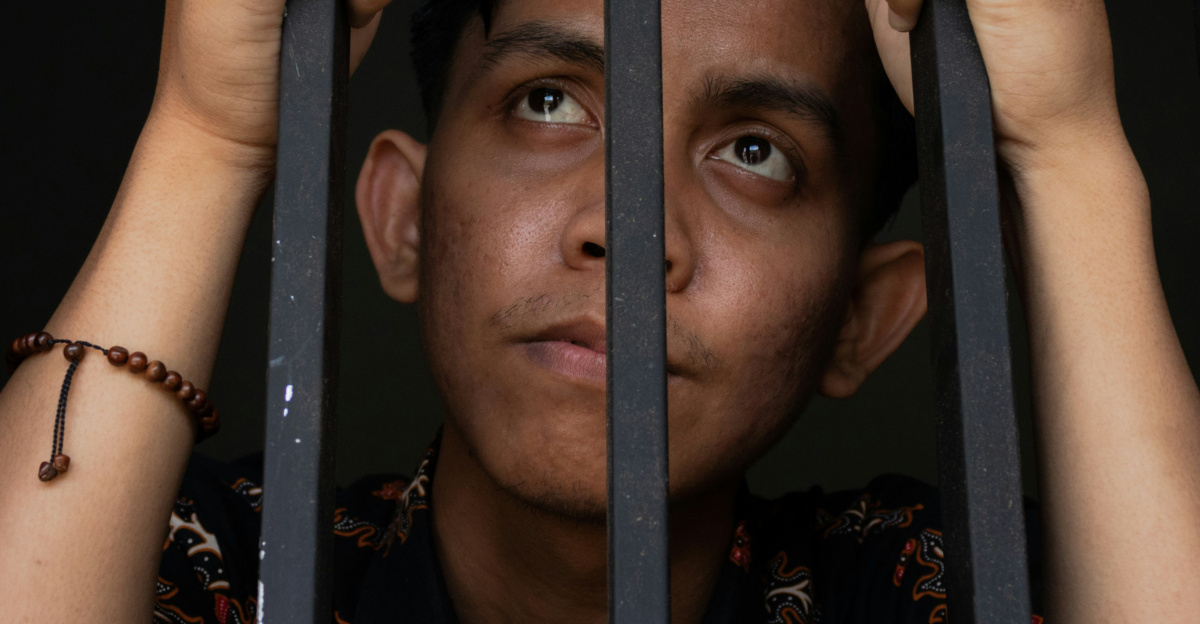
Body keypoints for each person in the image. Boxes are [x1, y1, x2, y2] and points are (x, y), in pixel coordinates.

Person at [2, 0, 1198, 621]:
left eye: (752, 149)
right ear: (401, 215)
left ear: (864, 317)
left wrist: (1072, 153)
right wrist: (207, 140)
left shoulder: (918, 587)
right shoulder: (225, 565)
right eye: (547, 102)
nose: (627, 231)